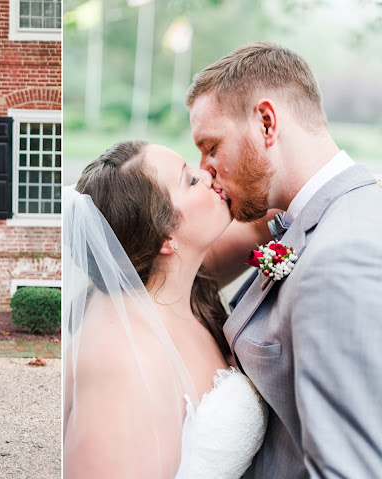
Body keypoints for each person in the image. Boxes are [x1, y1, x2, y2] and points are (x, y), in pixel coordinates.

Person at [187, 42, 382, 478]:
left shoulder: (340, 259)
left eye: (211, 145)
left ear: (266, 122)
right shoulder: (316, 221)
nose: (205, 168)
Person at [63, 141, 267, 478]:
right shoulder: (124, 360)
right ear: (165, 238)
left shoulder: (188, 287)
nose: (207, 174)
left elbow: (262, 224)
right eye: (190, 180)